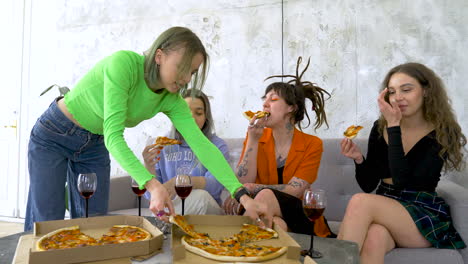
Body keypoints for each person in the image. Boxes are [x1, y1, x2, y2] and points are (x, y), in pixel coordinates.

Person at [25, 26, 268, 231]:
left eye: (192, 72)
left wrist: (243, 196)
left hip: (94, 143)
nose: (186, 79)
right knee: (47, 221)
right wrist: (153, 185)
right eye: (182, 67)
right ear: (159, 56)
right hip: (54, 133)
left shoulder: (172, 99)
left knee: (94, 224)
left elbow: (203, 146)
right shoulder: (124, 64)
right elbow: (114, 135)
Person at [339, 62, 466, 263]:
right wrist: (359, 159)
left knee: (360, 201)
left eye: (406, 89)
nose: (398, 97)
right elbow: (368, 185)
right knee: (375, 238)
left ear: (425, 91)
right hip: (386, 206)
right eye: (392, 92)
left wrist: (394, 126)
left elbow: (402, 181)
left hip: (421, 213)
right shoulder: (380, 127)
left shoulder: (443, 132)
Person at [224, 57, 334, 236]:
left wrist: (254, 188)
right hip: (266, 213)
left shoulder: (312, 144)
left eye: (273, 99)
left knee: (266, 194)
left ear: (291, 108)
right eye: (264, 99)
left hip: (301, 214)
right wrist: (252, 140)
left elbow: (294, 190)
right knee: (276, 225)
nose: (265, 104)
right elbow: (243, 183)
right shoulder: (256, 137)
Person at [142, 89, 226, 215]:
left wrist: (181, 181)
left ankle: (165, 223)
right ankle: (169, 222)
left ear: (206, 118)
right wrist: (149, 168)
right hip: (171, 207)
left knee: (200, 196)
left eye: (198, 113)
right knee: (160, 203)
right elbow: (151, 197)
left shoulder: (216, 145)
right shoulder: (162, 145)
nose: (191, 118)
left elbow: (215, 187)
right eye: (186, 112)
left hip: (207, 213)